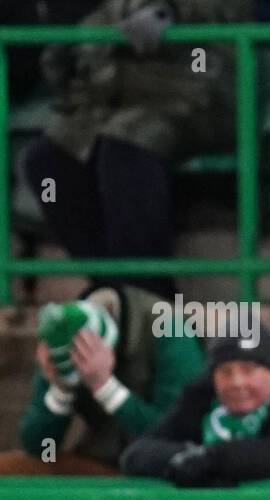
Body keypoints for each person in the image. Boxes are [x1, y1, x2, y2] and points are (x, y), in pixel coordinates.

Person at [22, 0, 251, 297]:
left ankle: (149, 297)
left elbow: (226, 9)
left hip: (197, 90)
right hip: (120, 100)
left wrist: (169, 10)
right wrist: (76, 43)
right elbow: (109, 17)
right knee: (47, 160)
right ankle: (112, 288)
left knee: (124, 147)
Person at [0, 284, 205, 476]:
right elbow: (43, 450)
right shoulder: (62, 337)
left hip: (159, 471)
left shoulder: (171, 330)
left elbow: (179, 437)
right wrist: (60, 391)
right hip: (98, 461)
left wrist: (105, 387)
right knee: (11, 467)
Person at [120, 334, 270, 486]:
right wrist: (187, 458)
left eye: (249, 369)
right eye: (225, 372)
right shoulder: (201, 399)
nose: (237, 382)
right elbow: (137, 454)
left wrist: (217, 460)